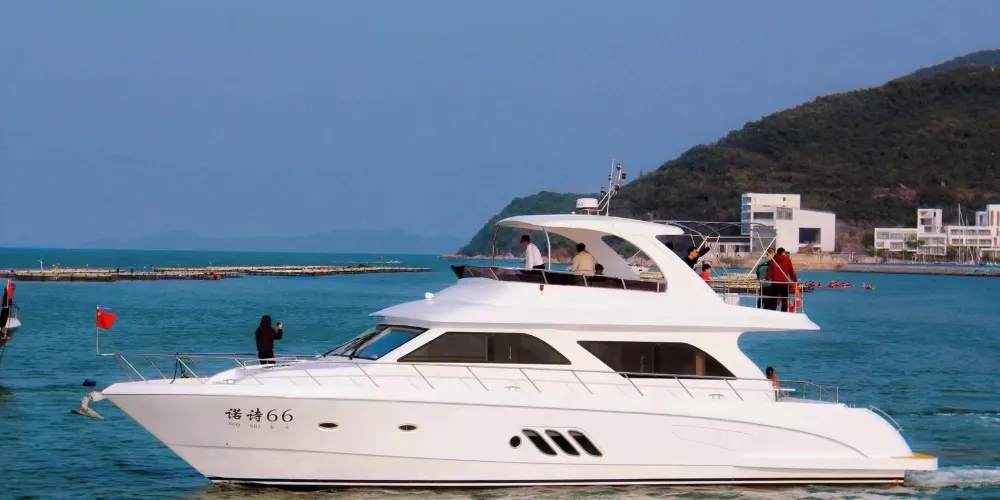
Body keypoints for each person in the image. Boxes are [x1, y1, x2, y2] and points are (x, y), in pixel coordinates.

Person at [765, 247, 798, 311]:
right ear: (783, 252)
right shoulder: (787, 260)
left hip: (775, 283)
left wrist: (768, 278)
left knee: (774, 299)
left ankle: (773, 311)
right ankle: (784, 312)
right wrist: (794, 279)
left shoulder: (773, 260)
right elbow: (791, 271)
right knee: (785, 300)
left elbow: (769, 271)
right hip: (784, 283)